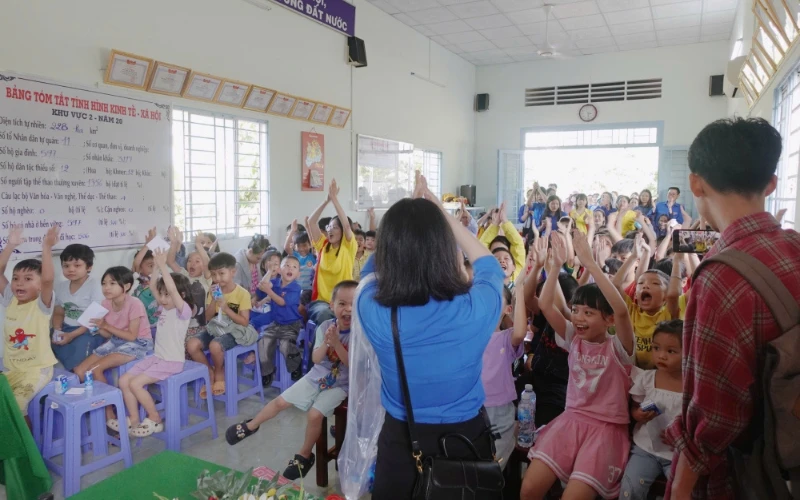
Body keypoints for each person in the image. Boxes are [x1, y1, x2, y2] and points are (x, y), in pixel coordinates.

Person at [664, 118, 800, 499]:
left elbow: (717, 416)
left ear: (695, 183)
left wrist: (680, 489)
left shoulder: (722, 275)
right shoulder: (795, 246)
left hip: (753, 472)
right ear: (771, 183)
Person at [354, 174, 504, 498]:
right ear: (444, 248)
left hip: (402, 442)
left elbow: (369, 273)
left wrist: (403, 228)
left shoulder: (374, 311)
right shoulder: (474, 310)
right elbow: (489, 264)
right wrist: (438, 212)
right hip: (465, 441)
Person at [521, 233, 635, 500]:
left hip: (606, 429)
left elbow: (621, 311)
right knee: (528, 489)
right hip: (570, 421)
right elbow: (546, 305)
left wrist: (592, 265)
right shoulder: (574, 338)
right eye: (576, 310)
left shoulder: (619, 347)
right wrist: (554, 266)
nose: (579, 318)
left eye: (589, 312)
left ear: (607, 320)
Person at [225, 280, 358, 480]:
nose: (347, 309)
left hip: (341, 384)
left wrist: (337, 344)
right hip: (318, 375)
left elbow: (353, 366)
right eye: (342, 304)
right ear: (332, 305)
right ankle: (252, 425)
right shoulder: (325, 326)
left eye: (353, 304)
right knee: (280, 401)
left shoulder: (360, 333)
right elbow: (315, 359)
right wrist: (329, 342)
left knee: (314, 414)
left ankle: (304, 456)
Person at [118, 249, 194, 437]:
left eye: (166, 295)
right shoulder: (165, 306)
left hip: (171, 361)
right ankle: (134, 420)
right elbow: (153, 286)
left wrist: (162, 265)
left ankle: (154, 419)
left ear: (181, 295)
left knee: (135, 384)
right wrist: (157, 271)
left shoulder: (182, 311)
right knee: (124, 380)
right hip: (157, 357)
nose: (162, 298)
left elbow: (173, 290)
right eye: (161, 295)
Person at [74, 265, 153, 426]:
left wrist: (106, 326)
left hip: (138, 343)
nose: (106, 288)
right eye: (104, 283)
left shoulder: (134, 303)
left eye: (112, 283)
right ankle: (104, 407)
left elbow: (132, 335)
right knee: (80, 371)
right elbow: (108, 335)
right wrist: (98, 328)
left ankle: (110, 414)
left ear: (126, 286)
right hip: (117, 340)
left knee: (95, 369)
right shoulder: (105, 303)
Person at [620, 319, 683, 500]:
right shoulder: (647, 378)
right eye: (656, 348)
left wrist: (681, 434)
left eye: (671, 351)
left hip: (677, 453)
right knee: (629, 489)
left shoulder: (693, 385)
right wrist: (638, 414)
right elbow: (635, 406)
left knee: (683, 491)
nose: (661, 356)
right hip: (644, 448)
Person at [1, 225, 59, 420]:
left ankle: (27, 449)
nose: (19, 283)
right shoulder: (10, 299)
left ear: (39, 285)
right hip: (11, 368)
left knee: (17, 407)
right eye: (16, 278)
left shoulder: (42, 305)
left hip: (36, 370)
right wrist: (11, 245)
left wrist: (46, 247)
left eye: (27, 279)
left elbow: (49, 280)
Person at [186, 252, 257, 399]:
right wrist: (214, 300)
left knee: (215, 346)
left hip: (235, 330)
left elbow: (244, 322)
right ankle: (209, 372)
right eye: (213, 275)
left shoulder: (242, 293)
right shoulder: (213, 291)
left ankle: (219, 371)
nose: (217, 278)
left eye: (221, 273)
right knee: (192, 344)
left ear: (233, 272)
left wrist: (225, 308)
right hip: (215, 326)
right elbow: (207, 317)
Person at [482, 270, 527, 469]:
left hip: (500, 409)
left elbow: (520, 331)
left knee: (493, 467)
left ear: (508, 309)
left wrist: (519, 290)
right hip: (472, 407)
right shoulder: (467, 334)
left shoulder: (506, 337)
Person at [306, 179, 357, 324]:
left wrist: (335, 199)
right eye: (328, 227)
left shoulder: (348, 247)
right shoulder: (322, 245)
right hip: (322, 302)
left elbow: (347, 226)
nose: (329, 230)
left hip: (345, 302)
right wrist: (326, 200)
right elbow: (311, 222)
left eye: (334, 227)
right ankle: (323, 346)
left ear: (341, 231)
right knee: (324, 315)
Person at [51, 243, 106, 372]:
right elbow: (59, 310)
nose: (71, 269)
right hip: (66, 327)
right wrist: (57, 329)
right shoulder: (61, 286)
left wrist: (72, 335)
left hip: (87, 330)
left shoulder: (96, 285)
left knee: (78, 360)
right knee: (47, 341)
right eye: (66, 266)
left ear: (89, 267)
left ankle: (78, 375)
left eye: (77, 265)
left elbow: (94, 317)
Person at [256, 255, 304, 386]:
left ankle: (296, 365)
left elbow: (282, 302)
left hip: (291, 324)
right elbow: (263, 286)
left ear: (298, 274)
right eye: (286, 265)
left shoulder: (295, 287)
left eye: (294, 267)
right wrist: (269, 271)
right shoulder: (276, 282)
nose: (290, 268)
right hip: (276, 323)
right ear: (280, 270)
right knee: (263, 343)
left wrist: (269, 292)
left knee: (285, 345)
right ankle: (268, 371)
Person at [166, 228, 211, 344]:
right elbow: (170, 261)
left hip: (201, 326)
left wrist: (198, 245)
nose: (192, 263)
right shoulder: (184, 275)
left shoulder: (206, 279)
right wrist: (174, 243)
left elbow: (207, 264)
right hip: (182, 324)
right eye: (190, 261)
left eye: (197, 261)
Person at [481, 201, 526, 280]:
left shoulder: (516, 275)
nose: (502, 261)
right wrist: (495, 224)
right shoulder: (486, 277)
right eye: (497, 258)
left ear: (514, 266)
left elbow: (518, 243)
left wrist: (505, 221)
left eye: (506, 258)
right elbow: (481, 246)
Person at [131, 228, 160, 329]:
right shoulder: (138, 277)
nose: (153, 268)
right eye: (149, 265)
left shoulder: (159, 278)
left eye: (154, 265)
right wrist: (147, 244)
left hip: (158, 320)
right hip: (142, 320)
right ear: (140, 268)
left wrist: (155, 243)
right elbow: (137, 262)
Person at [283, 219, 317, 292]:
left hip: (309, 290)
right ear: (294, 246)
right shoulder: (295, 256)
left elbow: (314, 241)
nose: (301, 249)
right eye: (298, 246)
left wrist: (308, 228)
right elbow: (286, 247)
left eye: (304, 245)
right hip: (296, 289)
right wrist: (292, 231)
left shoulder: (313, 256)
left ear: (310, 245)